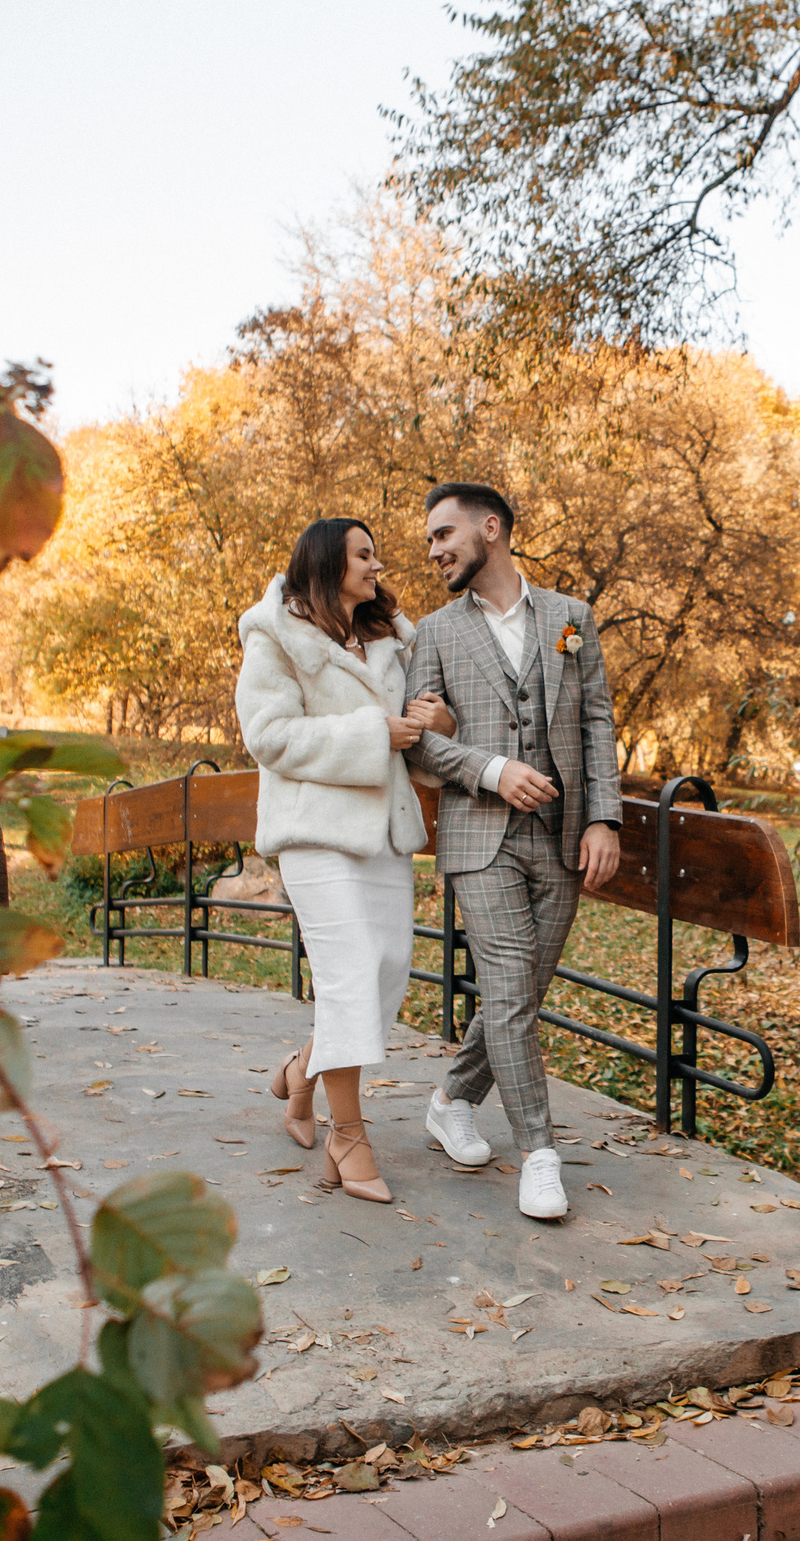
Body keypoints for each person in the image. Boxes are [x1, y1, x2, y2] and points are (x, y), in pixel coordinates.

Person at [403, 482, 622, 1221]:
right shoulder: (433, 632)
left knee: (519, 994)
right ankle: (539, 1152)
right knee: (506, 986)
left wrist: (605, 821)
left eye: (443, 534)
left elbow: (597, 722)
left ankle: (452, 1098)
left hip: (561, 837)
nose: (434, 550)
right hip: (476, 836)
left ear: (490, 528)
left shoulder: (570, 619)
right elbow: (419, 741)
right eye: (430, 540)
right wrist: (492, 769)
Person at [233, 518, 454, 1204]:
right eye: (363, 553)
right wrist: (370, 733)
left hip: (384, 835)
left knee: (385, 973)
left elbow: (421, 732)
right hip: (314, 833)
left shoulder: (396, 637)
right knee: (351, 967)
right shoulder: (275, 632)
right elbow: (267, 735)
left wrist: (437, 723)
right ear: (327, 560)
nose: (377, 564)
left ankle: (303, 1071)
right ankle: (348, 1135)